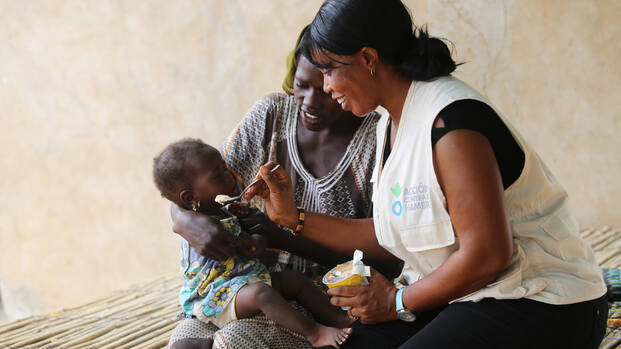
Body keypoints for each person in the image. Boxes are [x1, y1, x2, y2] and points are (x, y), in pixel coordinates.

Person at [244, 1, 609, 348]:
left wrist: (396, 300)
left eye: (328, 70)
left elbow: (487, 255)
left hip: (541, 300)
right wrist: (293, 218)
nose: (325, 86)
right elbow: (391, 229)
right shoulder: (390, 121)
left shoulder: (451, 125)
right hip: (464, 296)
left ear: (368, 58)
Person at [167, 27, 400, 349]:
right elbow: (194, 185)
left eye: (326, 91)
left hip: (325, 296)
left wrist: (283, 238)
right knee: (184, 340)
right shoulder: (271, 115)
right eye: (302, 85)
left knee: (234, 342)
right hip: (242, 282)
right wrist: (185, 221)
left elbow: (390, 258)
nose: (310, 102)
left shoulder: (378, 141)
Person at [153, 139, 353, 348]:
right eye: (218, 175)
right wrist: (250, 241)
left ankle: (340, 319)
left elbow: (252, 250)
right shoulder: (204, 228)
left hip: (243, 282)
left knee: (294, 280)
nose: (228, 176)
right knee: (261, 294)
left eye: (224, 168)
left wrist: (256, 233)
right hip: (216, 297)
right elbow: (241, 250)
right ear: (191, 197)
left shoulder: (224, 210)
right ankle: (315, 334)